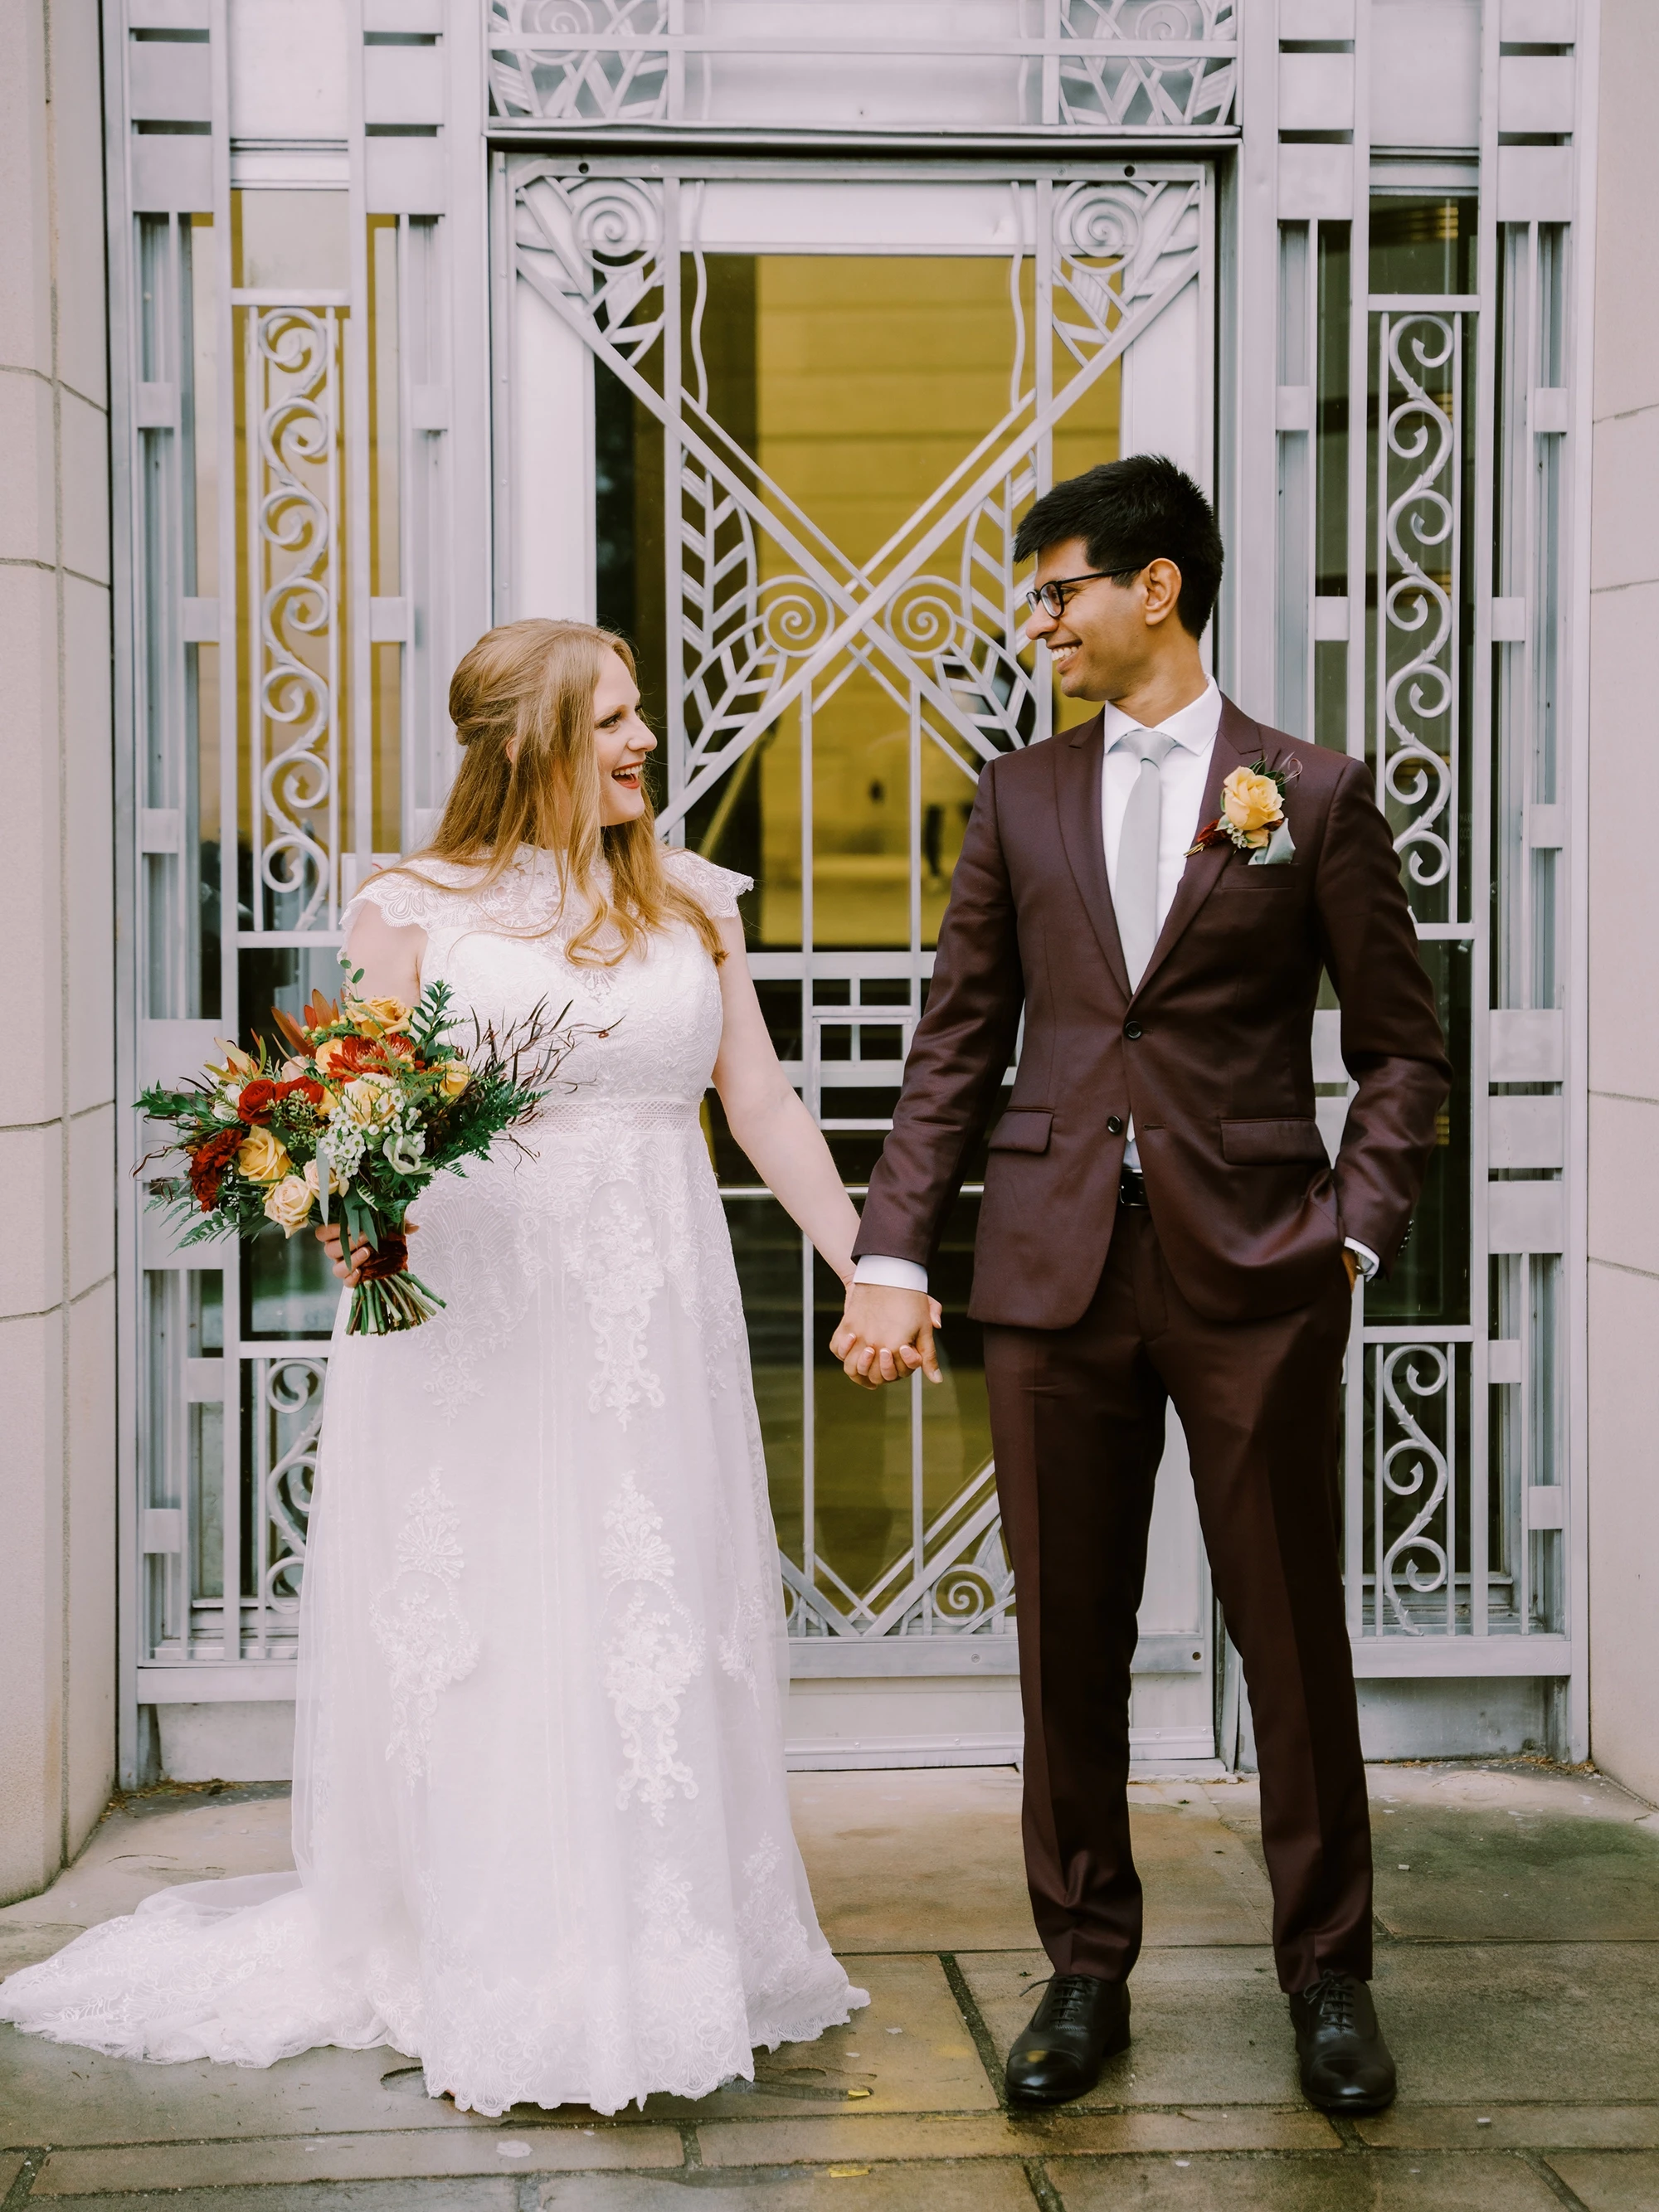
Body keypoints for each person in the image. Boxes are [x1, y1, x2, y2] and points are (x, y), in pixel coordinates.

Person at [0, 619, 882, 2116]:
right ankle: (496, 1942)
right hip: (473, 1319)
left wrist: (871, 1259)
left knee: (647, 1605)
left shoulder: (692, 903)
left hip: (649, 1313)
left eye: (643, 718)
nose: (642, 743)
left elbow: (762, 1104)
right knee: (491, 1618)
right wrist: (351, 1215)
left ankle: (665, 1941)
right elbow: (354, 1113)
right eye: (611, 719)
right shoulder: (416, 909)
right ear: (533, 739)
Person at [831, 456, 1450, 2115]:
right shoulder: (1020, 792)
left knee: (1289, 1637)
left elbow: (1402, 1048)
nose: (1039, 620)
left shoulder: (1306, 793)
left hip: (1256, 1272)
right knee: (1070, 1645)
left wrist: (1353, 1231)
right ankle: (1082, 1970)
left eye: (1059, 591)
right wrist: (896, 1244)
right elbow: (958, 1036)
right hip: (1050, 1279)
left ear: (1153, 588)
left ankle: (1328, 1978)